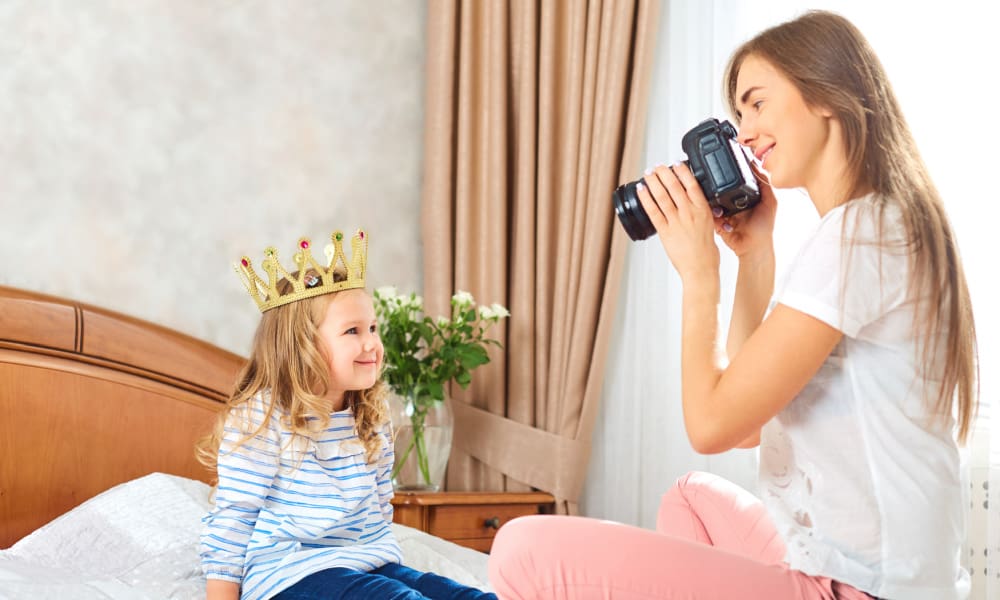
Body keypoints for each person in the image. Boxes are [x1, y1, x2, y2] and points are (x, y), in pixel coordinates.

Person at [488, 10, 977, 600]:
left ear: (827, 94)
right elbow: (747, 426)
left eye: (757, 104)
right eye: (739, 114)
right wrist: (754, 256)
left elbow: (713, 425)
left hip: (866, 588)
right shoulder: (876, 223)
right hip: (893, 578)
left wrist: (700, 274)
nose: (744, 133)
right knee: (691, 499)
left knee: (521, 549)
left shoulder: (859, 235)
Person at [198, 229, 496, 600]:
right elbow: (233, 521)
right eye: (353, 331)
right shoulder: (261, 417)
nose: (372, 342)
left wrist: (387, 569)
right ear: (302, 347)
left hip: (367, 561)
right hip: (291, 573)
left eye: (373, 328)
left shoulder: (369, 416)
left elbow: (378, 511)